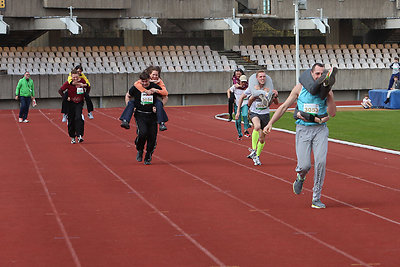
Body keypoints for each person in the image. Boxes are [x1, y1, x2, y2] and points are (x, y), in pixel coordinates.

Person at [264, 63, 337, 209]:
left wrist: (329, 96)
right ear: (311, 74)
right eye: (317, 73)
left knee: (321, 163)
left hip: (320, 130)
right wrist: (270, 123)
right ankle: (301, 176)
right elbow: (284, 106)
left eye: (322, 74)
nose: (319, 76)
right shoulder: (300, 88)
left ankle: (316, 197)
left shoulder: (326, 90)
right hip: (303, 130)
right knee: (304, 165)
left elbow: (333, 113)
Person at [236, 70, 278, 166]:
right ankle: (254, 149)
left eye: (264, 76)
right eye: (260, 77)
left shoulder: (269, 88)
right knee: (257, 126)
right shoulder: (252, 88)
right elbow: (242, 97)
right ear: (257, 78)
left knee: (262, 139)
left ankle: (257, 156)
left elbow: (276, 103)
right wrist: (238, 111)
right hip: (254, 112)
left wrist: (275, 96)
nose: (262, 78)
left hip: (265, 114)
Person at [128, 71, 163, 165]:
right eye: (142, 81)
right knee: (143, 133)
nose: (144, 83)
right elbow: (128, 95)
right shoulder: (136, 87)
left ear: (149, 80)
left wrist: (160, 106)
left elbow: (165, 95)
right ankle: (139, 149)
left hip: (152, 116)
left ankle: (148, 156)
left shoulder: (154, 87)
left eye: (146, 81)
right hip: (140, 115)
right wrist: (130, 107)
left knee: (152, 138)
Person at [120, 66, 169, 131]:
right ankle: (125, 120)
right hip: (140, 102)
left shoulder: (159, 82)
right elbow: (135, 85)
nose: (155, 76)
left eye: (156, 75)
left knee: (159, 104)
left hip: (153, 100)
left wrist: (156, 90)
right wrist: (145, 90)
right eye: (153, 75)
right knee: (131, 103)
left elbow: (165, 94)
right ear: (149, 75)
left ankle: (162, 123)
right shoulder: (142, 80)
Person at [58, 69, 90, 144]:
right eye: (73, 77)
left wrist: (85, 94)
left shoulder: (82, 81)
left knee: (78, 117)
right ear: (71, 77)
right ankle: (72, 136)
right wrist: (66, 98)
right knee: (71, 120)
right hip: (71, 103)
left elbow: (88, 87)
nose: (75, 78)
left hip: (79, 102)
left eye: (76, 77)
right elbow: (60, 90)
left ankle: (79, 135)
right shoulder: (68, 83)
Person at [228, 74, 251, 140]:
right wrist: (230, 98)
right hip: (237, 105)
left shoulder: (248, 88)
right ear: (239, 81)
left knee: (245, 115)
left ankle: (246, 130)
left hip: (245, 104)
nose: (243, 83)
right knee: (238, 120)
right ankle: (239, 134)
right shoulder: (235, 86)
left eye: (244, 82)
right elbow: (228, 91)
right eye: (242, 81)